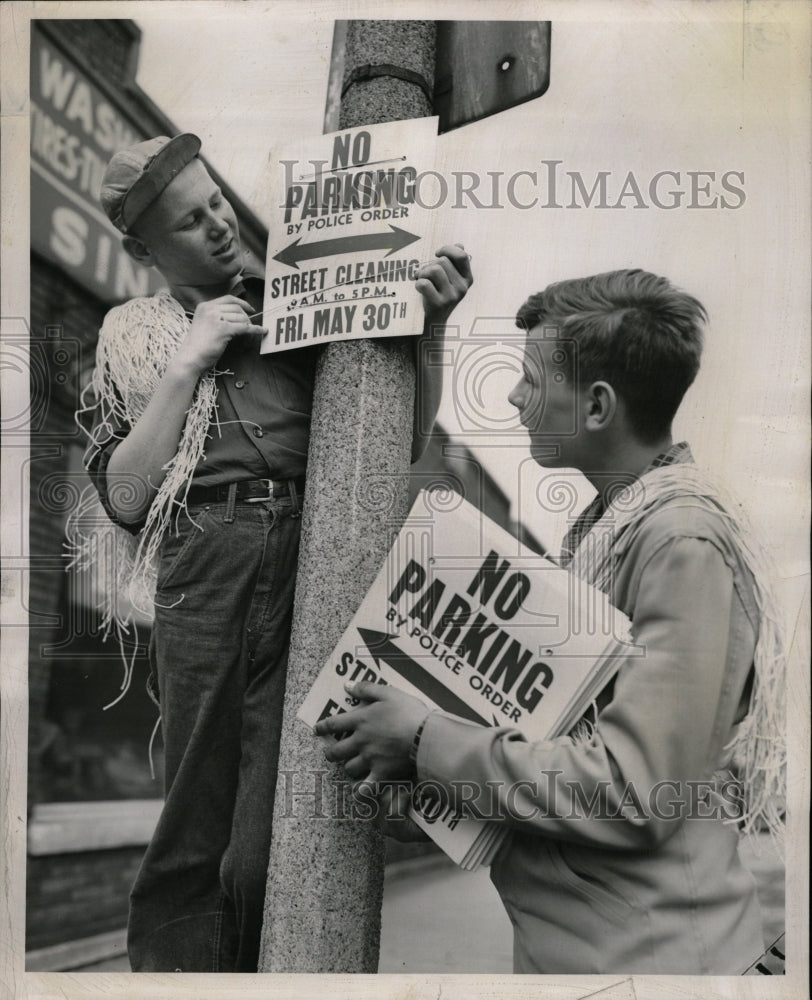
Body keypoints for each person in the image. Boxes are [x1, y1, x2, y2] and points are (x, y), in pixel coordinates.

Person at [314, 269, 786, 974]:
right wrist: (420, 782)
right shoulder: (606, 531)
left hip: (659, 964)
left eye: (531, 379)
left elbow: (634, 790)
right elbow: (544, 743)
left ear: (596, 406)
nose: (513, 396)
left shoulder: (682, 540)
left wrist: (423, 739)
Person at [78, 133, 473, 972]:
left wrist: (430, 330)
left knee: (272, 841)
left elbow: (391, 436)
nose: (219, 226)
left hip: (312, 554)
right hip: (205, 566)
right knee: (194, 827)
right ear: (146, 249)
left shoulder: (299, 305)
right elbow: (123, 499)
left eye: (216, 201)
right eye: (190, 223)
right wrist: (190, 359)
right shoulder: (132, 342)